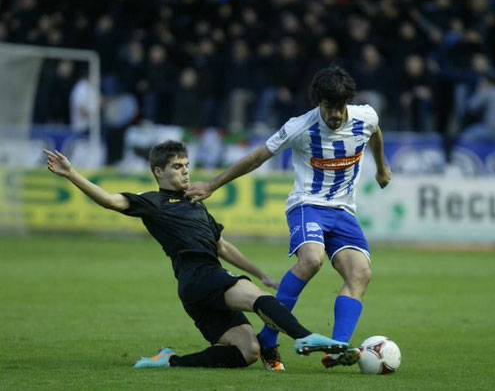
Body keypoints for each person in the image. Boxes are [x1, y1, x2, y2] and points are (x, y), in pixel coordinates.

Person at [42, 141, 348, 369]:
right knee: (258, 300)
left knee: (247, 352)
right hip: (201, 277)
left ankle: (169, 361)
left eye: (187, 165)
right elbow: (110, 201)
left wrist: (260, 273)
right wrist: (71, 174)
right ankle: (305, 337)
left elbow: (223, 247)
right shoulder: (151, 203)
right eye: (177, 167)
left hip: (198, 288)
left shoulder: (196, 203)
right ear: (158, 171)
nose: (185, 171)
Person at [185, 66, 392, 371]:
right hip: (307, 205)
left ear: (348, 102)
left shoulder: (366, 117)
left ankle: (336, 349)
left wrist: (381, 167)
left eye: (339, 107)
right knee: (311, 260)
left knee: (360, 274)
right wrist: (213, 185)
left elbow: (375, 132)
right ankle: (269, 337)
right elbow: (257, 157)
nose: (334, 114)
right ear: (317, 103)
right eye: (327, 107)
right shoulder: (299, 127)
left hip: (344, 211)